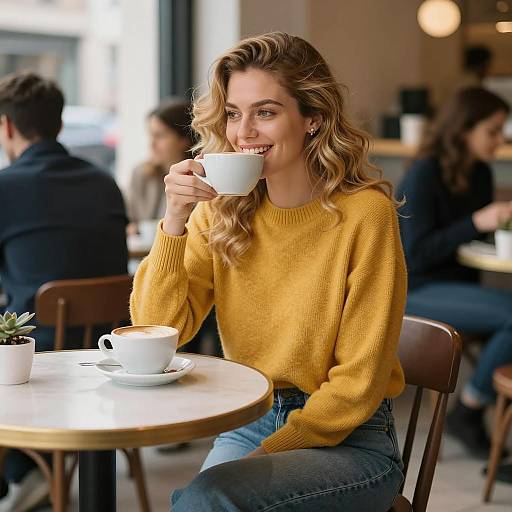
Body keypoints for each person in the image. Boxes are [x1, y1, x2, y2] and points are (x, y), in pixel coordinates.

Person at [131, 31, 407, 511]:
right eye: (235, 114)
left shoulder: (366, 215)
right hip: (252, 417)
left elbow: (358, 384)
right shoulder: (220, 212)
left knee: (207, 502)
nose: (244, 132)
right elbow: (158, 333)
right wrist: (174, 220)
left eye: (266, 112)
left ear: (313, 120)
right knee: (203, 502)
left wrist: (268, 453)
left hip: (351, 438)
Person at [0, 71, 128, 511]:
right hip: (110, 356)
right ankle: (30, 469)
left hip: (34, 363)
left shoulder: (5, 187)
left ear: (7, 127)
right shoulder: (103, 182)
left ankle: (21, 469)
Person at [397, 87, 511, 461]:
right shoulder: (424, 173)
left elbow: (468, 236)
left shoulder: (479, 173)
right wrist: (478, 220)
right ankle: (471, 407)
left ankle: (476, 403)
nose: (500, 139)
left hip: (458, 288)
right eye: (493, 131)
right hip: (417, 290)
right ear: (465, 129)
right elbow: (417, 253)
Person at [127, 99, 195, 234]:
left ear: (183, 140)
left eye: (160, 136)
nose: (152, 144)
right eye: (151, 135)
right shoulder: (141, 174)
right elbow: (128, 223)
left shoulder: (196, 181)